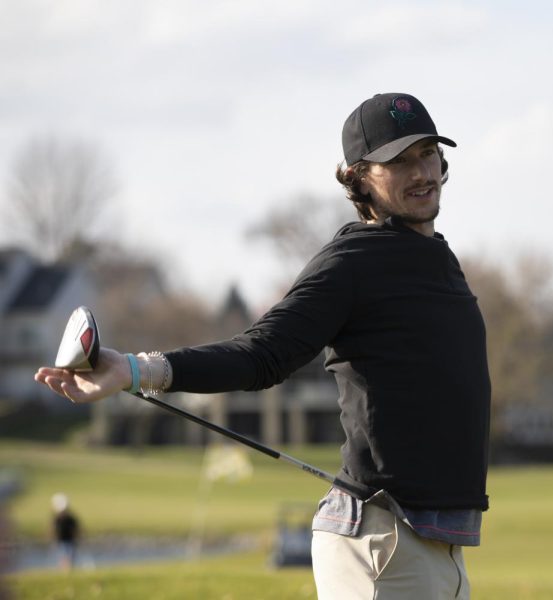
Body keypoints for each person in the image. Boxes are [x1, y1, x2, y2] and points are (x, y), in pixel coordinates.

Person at [35, 92, 491, 599]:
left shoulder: (437, 258)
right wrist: (135, 370)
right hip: (382, 545)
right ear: (359, 177)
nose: (421, 171)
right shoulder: (352, 262)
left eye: (427, 153)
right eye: (399, 161)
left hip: (436, 547)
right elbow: (261, 354)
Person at [50, 493, 79, 571]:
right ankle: (64, 571)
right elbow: (53, 530)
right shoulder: (57, 519)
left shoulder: (71, 519)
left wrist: (77, 538)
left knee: (70, 557)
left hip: (70, 541)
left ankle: (68, 571)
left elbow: (76, 529)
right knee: (63, 558)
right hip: (60, 541)